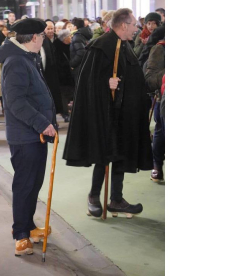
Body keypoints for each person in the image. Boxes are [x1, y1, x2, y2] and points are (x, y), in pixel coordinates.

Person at [63, 8, 153, 218]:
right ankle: (94, 197)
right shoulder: (101, 46)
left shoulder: (126, 46)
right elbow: (86, 82)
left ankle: (116, 199)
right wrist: (106, 83)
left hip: (124, 114)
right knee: (103, 156)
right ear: (123, 25)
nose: (135, 29)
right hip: (105, 114)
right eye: (133, 25)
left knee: (120, 154)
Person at [0, 18, 57, 256]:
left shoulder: (26, 58)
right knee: (24, 185)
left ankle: (29, 226)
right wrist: (42, 123)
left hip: (34, 135)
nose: (44, 39)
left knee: (33, 184)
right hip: (25, 136)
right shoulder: (17, 62)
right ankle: (21, 234)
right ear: (34, 37)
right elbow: (16, 102)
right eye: (42, 35)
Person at [145, 37, 165, 183]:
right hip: (162, 98)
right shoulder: (160, 48)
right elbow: (150, 79)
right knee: (160, 132)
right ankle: (157, 166)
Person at [53, 29, 74, 122]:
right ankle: (65, 113)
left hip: (68, 76)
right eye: (69, 36)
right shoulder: (57, 48)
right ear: (64, 38)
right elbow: (59, 63)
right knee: (64, 96)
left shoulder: (68, 46)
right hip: (62, 76)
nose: (71, 38)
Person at [69, 18, 93, 85]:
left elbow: (81, 53)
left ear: (75, 27)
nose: (70, 28)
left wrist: (72, 64)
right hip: (84, 66)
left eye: (71, 26)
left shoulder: (77, 36)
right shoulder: (85, 34)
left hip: (79, 67)